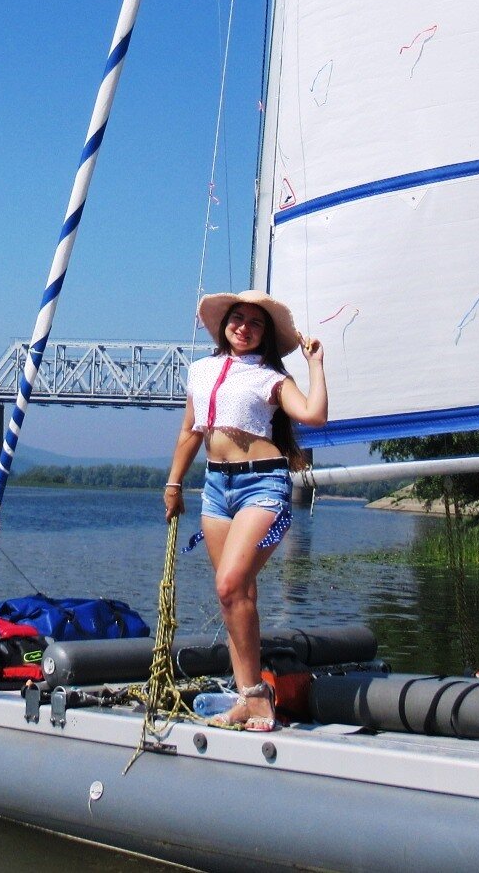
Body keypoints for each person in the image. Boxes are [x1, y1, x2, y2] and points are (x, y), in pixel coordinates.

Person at [164, 290, 327, 732]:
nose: (244, 327)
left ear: (266, 335)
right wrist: (174, 483)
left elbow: (313, 415)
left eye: (255, 323)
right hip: (215, 489)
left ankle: (257, 699)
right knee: (238, 596)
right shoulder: (200, 371)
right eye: (237, 318)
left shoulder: (271, 378)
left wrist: (314, 365)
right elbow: (189, 432)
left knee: (230, 583)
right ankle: (247, 696)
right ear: (223, 325)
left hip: (264, 484)